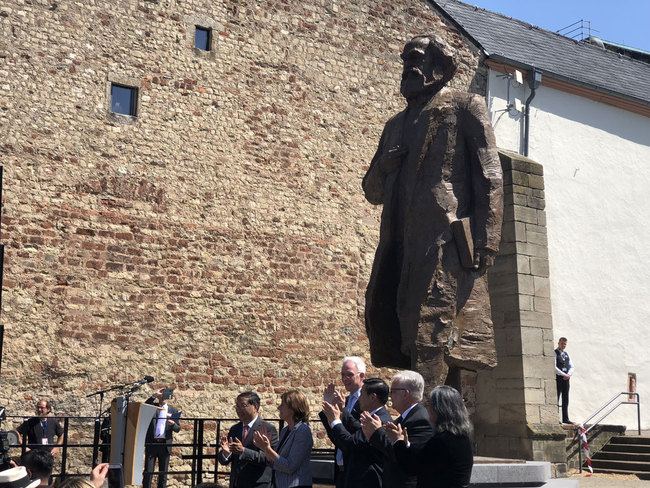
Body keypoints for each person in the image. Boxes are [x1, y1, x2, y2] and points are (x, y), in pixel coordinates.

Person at [362, 34, 503, 386]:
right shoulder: (394, 125)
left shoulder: (464, 107)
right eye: (405, 59)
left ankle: (425, 424)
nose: (408, 66)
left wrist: (487, 240)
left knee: (433, 330)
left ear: (439, 66)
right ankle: (428, 419)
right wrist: (384, 167)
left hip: (445, 240)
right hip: (400, 242)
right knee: (406, 329)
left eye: (416, 57)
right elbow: (371, 190)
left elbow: (490, 173)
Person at [386, 386, 473, 488]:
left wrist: (398, 441)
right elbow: (424, 459)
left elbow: (413, 468)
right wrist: (406, 444)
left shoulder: (441, 441)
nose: (427, 409)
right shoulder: (462, 438)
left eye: (429, 405)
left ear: (438, 409)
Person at [361, 370, 433, 488]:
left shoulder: (420, 420)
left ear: (405, 393)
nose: (389, 395)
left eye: (393, 391)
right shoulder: (402, 419)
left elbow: (406, 458)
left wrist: (377, 433)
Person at [321, 378, 393, 487]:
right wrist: (340, 409)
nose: (358, 399)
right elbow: (355, 427)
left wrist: (335, 421)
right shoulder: (371, 417)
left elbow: (350, 444)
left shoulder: (380, 420)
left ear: (373, 397)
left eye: (362, 395)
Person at [319, 357, 366, 486]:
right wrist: (328, 407)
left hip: (357, 469)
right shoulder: (344, 399)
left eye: (349, 374)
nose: (345, 379)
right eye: (343, 375)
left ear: (361, 375)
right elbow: (335, 435)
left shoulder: (367, 401)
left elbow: (358, 434)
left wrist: (342, 411)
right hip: (341, 470)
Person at [253, 390, 312, 488]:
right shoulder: (285, 430)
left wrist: (267, 448)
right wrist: (264, 447)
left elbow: (289, 467)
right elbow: (273, 461)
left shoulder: (302, 430)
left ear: (292, 409)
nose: (278, 408)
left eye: (282, 405)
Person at [218, 391, 278, 487]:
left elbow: (269, 459)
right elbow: (223, 460)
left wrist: (243, 451)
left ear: (255, 406)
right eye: (237, 406)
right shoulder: (235, 429)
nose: (239, 410)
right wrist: (226, 453)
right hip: (237, 483)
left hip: (257, 484)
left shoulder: (267, 429)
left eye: (243, 406)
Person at [143, 388, 181, 488]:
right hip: (152, 443)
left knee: (163, 473)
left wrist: (173, 425)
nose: (163, 397)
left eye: (165, 396)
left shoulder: (173, 410)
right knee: (148, 471)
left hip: (165, 444)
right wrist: (154, 395)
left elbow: (178, 428)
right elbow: (144, 406)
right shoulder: (153, 407)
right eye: (161, 395)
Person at [555, 337, 574, 424]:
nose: (563, 345)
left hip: (566, 379)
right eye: (562, 343)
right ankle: (556, 418)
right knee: (557, 397)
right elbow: (554, 367)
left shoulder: (567, 354)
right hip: (558, 378)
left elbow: (572, 366)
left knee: (565, 398)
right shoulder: (555, 353)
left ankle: (565, 418)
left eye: (565, 344)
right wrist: (563, 374)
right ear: (558, 343)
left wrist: (569, 374)